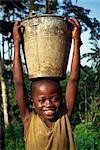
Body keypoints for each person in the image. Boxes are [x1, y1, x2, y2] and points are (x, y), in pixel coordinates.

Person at [13, 18, 82, 150]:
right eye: (42, 100)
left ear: (62, 100)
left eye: (54, 99)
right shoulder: (29, 120)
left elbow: (73, 79)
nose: (48, 104)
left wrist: (76, 42)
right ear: (32, 102)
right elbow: (18, 83)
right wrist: (17, 43)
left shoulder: (64, 118)